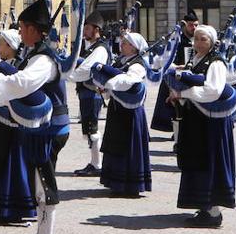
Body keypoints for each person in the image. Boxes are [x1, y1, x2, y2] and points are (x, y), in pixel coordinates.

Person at [0, 0, 69, 234]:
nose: (20, 31)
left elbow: (22, 83)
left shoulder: (44, 59)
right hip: (39, 128)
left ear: (34, 29)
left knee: (44, 184)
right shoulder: (34, 54)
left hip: (50, 129)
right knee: (38, 182)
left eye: (23, 27)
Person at [168, 24, 236, 228]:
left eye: (203, 39)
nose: (198, 43)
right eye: (196, 39)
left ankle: (214, 212)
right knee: (197, 159)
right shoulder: (195, 59)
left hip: (211, 122)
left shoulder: (216, 63)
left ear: (213, 42)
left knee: (210, 161)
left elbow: (213, 91)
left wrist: (183, 94)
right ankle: (204, 206)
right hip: (196, 119)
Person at [0, 29, 37, 224]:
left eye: (1, 44)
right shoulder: (6, 65)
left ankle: (17, 209)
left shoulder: (22, 66)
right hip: (1, 119)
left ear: (11, 47)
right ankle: (2, 207)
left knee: (15, 165)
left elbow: (18, 90)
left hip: (16, 123)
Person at [90, 32, 152, 198]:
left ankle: (130, 185)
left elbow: (128, 81)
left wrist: (108, 83)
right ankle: (115, 182)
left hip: (130, 112)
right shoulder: (121, 61)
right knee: (115, 143)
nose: (121, 44)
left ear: (134, 47)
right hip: (117, 109)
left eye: (125, 43)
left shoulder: (137, 65)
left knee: (127, 145)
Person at [67, 13, 110, 176]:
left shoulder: (100, 49)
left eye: (87, 28)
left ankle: (97, 165)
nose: (84, 31)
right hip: (86, 93)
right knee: (88, 128)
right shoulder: (90, 47)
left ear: (96, 29)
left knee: (92, 128)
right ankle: (94, 163)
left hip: (93, 94)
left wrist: (67, 74)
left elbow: (87, 70)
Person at [151, 11, 197, 135]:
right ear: (185, 25)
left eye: (196, 25)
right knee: (173, 108)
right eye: (191, 25)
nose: (194, 28)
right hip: (174, 77)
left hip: (190, 79)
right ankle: (176, 132)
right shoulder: (176, 40)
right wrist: (178, 67)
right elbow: (165, 60)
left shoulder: (198, 40)